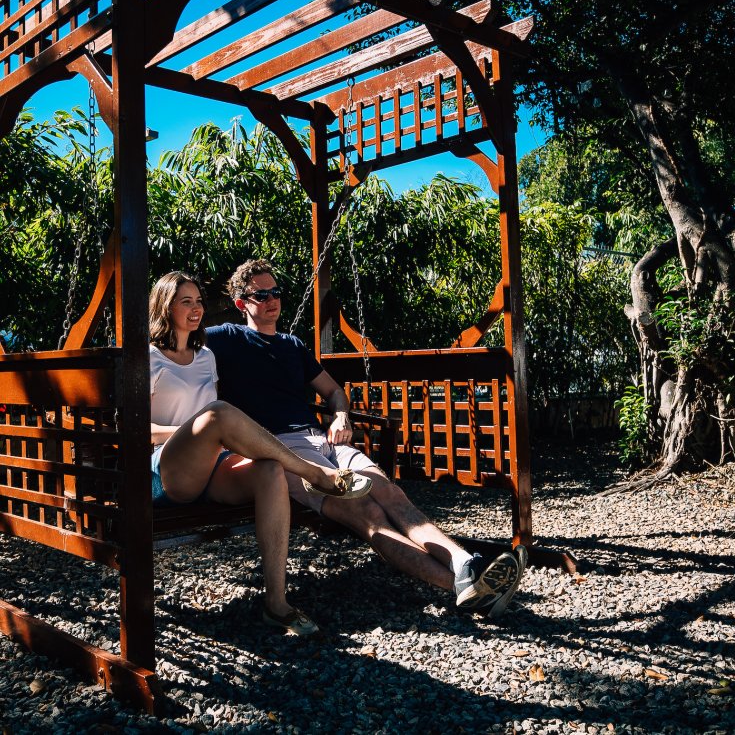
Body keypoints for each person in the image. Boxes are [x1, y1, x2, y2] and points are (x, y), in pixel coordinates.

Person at [206, 259, 526, 618]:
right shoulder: (226, 339)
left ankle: (465, 563)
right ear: (241, 304)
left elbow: (333, 391)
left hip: (322, 440)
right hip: (281, 451)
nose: (271, 300)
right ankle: (463, 586)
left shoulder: (292, 345)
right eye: (260, 294)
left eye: (275, 292)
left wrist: (341, 414)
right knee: (368, 514)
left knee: (390, 493)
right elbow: (174, 341)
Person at [148, 271, 372, 637]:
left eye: (198, 301)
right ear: (165, 306)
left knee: (268, 470)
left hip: (213, 464)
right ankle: (316, 475)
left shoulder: (206, 356)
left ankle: (276, 603)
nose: (195, 309)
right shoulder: (149, 357)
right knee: (216, 414)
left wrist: (212, 435)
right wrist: (199, 433)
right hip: (165, 468)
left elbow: (258, 356)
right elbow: (135, 430)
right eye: (184, 302)